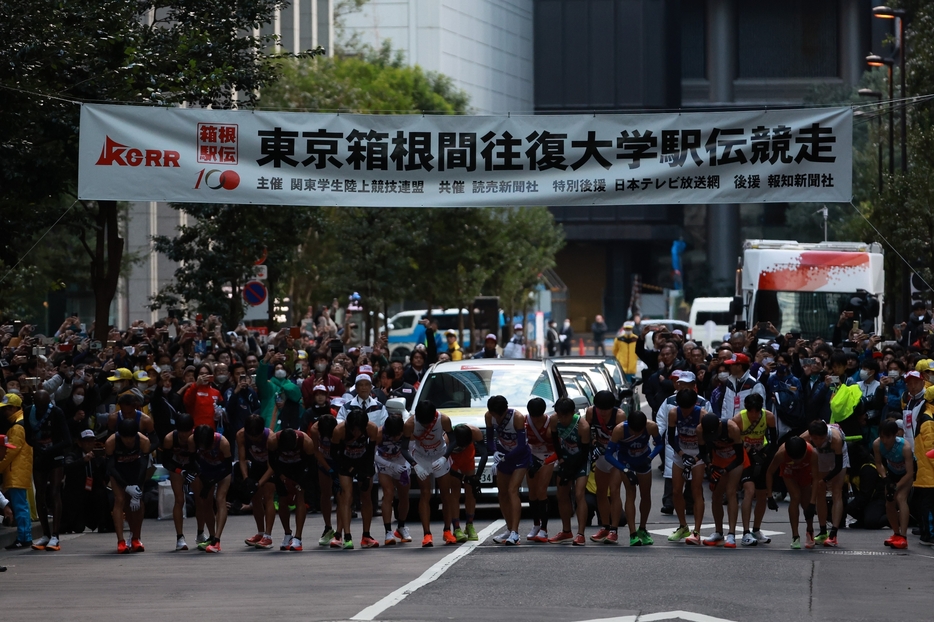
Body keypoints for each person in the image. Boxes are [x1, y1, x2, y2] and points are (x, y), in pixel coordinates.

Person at [401, 401, 457, 547]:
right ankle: (427, 534)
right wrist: (415, 465)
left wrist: (445, 457)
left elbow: (453, 440)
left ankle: (447, 531)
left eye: (428, 423)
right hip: (421, 458)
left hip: (440, 455)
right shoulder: (410, 424)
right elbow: (404, 449)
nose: (425, 426)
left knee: (446, 493)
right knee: (425, 493)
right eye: (422, 423)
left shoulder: (443, 419)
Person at [604, 410, 662, 546]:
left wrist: (650, 458)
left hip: (643, 461)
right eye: (632, 431)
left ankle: (642, 528)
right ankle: (632, 534)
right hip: (626, 463)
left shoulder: (651, 426)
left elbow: (660, 444)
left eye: (639, 432)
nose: (635, 434)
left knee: (646, 495)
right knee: (630, 495)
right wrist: (624, 470)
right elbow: (608, 455)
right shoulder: (619, 430)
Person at [26, 389, 71, 551]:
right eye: (38, 406)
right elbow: (28, 437)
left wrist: (50, 449)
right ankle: (45, 533)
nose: (41, 409)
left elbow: (67, 440)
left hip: (55, 455)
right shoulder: (28, 412)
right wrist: (38, 447)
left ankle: (55, 534)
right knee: (40, 493)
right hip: (40, 455)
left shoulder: (56, 412)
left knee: (54, 492)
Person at [330, 407, 380, 549]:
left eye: (359, 430)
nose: (356, 433)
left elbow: (370, 453)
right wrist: (351, 469)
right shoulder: (339, 430)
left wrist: (367, 474)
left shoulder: (372, 429)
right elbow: (334, 454)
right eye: (354, 430)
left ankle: (366, 535)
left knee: (366, 495)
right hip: (345, 461)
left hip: (363, 461)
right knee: (347, 496)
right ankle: (345, 535)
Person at [485, 395, 531, 546]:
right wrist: (494, 452)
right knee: (502, 492)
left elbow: (522, 446)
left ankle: (515, 532)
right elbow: (490, 439)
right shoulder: (489, 416)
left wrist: (506, 457)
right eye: (493, 414)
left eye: (498, 415)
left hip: (519, 456)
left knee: (512, 490)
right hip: (503, 453)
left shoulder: (516, 417)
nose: (496, 418)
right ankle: (509, 528)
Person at [731, 393, 776, 546]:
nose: (754, 415)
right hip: (745, 458)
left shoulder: (769, 417)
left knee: (761, 494)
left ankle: (756, 529)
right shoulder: (738, 420)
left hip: (761, 456)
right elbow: (732, 442)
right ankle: (745, 532)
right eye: (752, 412)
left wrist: (765, 453)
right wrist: (745, 449)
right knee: (749, 490)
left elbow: (773, 440)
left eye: (757, 411)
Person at [698, 413, 747, 548]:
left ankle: (731, 534)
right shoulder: (700, 430)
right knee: (716, 495)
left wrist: (726, 470)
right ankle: (718, 532)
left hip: (735, 460)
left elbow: (740, 458)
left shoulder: (732, 428)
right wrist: (709, 466)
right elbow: (702, 452)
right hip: (718, 459)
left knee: (731, 492)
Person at [547, 396, 591, 545]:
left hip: (580, 461)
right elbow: (555, 441)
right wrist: (561, 460)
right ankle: (566, 531)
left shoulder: (583, 426)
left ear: (572, 413)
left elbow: (585, 453)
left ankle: (581, 533)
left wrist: (571, 472)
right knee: (562, 494)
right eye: (560, 415)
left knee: (579, 494)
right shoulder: (554, 420)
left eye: (565, 416)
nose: (562, 419)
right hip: (565, 460)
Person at [105, 417, 151, 553]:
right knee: (120, 500)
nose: (129, 441)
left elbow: (143, 466)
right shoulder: (111, 442)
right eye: (126, 439)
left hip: (135, 471)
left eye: (131, 438)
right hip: (118, 472)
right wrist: (126, 487)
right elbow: (111, 468)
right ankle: (121, 541)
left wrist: (137, 487)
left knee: (138, 500)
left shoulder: (144, 441)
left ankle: (136, 537)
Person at [667, 389, 707, 545]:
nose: (685, 411)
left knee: (696, 490)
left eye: (688, 408)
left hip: (698, 453)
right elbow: (670, 438)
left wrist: (695, 458)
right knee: (676, 490)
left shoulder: (702, 415)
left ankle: (696, 531)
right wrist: (682, 454)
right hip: (681, 452)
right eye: (682, 408)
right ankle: (683, 526)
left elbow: (707, 445)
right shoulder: (673, 413)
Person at [801, 420, 849, 547]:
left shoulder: (835, 438)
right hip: (821, 456)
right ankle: (823, 530)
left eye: (821, 438)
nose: (818, 441)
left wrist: (825, 479)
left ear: (825, 436)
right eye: (815, 438)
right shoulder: (805, 437)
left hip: (838, 456)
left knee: (836, 491)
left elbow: (838, 466)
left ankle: (833, 534)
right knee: (819, 492)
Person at [766, 436, 819, 549]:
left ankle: (810, 529)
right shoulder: (781, 454)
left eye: (800, 458)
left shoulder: (812, 453)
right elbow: (769, 472)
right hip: (789, 473)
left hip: (805, 472)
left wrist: (812, 502)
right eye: (794, 459)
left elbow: (815, 478)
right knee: (795, 497)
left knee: (806, 503)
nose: (797, 461)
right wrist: (769, 496)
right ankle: (795, 536)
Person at [586, 390, 624, 544]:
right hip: (601, 454)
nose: (602, 413)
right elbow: (588, 432)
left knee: (614, 491)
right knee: (601, 492)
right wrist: (593, 444)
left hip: (615, 456)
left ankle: (614, 530)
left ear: (611, 408)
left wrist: (610, 449)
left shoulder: (619, 415)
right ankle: (606, 527)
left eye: (605, 410)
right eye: (600, 409)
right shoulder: (591, 412)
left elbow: (623, 439)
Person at [188, 424, 233, 553]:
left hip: (222, 471)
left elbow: (228, 468)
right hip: (205, 470)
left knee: (220, 499)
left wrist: (212, 482)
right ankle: (212, 535)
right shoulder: (192, 440)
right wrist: (203, 478)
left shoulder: (222, 443)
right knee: (205, 503)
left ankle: (217, 540)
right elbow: (192, 462)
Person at [0, 393, 34, 550]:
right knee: (22, 505)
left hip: (16, 471)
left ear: (14, 408)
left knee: (20, 506)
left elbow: (10, 452)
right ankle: (24, 536)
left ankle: (24, 537)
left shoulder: (17, 427)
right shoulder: (21, 423)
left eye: (7, 409)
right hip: (19, 470)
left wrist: (0, 466)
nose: (4, 412)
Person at [873, 419, 913, 549]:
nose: (885, 440)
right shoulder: (877, 444)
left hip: (905, 475)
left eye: (888, 437)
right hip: (891, 473)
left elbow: (910, 473)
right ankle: (896, 533)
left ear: (895, 435)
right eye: (882, 436)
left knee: (901, 498)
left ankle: (903, 536)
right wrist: (885, 479)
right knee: (889, 501)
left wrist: (896, 486)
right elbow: (878, 463)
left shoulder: (905, 447)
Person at [237, 414, 276, 550]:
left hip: (270, 467)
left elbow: (273, 466)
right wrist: (246, 479)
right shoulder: (241, 435)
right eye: (252, 437)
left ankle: (268, 536)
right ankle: (260, 533)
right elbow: (242, 459)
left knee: (268, 497)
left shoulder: (270, 438)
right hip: (256, 464)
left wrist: (258, 483)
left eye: (257, 437)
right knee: (255, 498)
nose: (254, 439)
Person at [161, 412, 197, 551]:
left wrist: (192, 473)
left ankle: (201, 533)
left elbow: (197, 460)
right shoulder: (170, 439)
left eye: (186, 433)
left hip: (192, 467)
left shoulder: (195, 438)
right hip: (176, 467)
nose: (184, 436)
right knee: (179, 500)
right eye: (181, 433)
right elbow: (166, 462)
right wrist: (179, 471)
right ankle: (180, 537)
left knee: (200, 499)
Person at [375, 413, 410, 546]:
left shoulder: (408, 430)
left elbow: (413, 449)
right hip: (384, 462)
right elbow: (372, 454)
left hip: (402, 460)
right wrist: (390, 465)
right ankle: (388, 532)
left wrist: (406, 464)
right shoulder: (379, 433)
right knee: (388, 493)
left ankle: (401, 527)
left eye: (398, 435)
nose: (395, 438)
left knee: (403, 495)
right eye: (392, 436)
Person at [449, 423, 488, 542]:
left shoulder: (475, 432)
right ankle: (456, 528)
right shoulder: (446, 437)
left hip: (467, 458)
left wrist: (477, 477)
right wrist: (462, 477)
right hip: (452, 459)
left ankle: (469, 525)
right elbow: (443, 464)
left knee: (470, 490)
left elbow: (484, 454)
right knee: (455, 491)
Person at [525, 397, 555, 543]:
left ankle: (544, 528)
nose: (535, 421)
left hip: (549, 456)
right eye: (533, 418)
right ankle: (536, 525)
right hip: (532, 455)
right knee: (532, 491)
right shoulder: (526, 421)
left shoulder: (551, 424)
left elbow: (558, 449)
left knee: (541, 490)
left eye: (538, 418)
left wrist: (545, 462)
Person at [309, 414, 340, 546]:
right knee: (325, 494)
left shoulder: (339, 429)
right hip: (324, 461)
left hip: (338, 460)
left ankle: (339, 531)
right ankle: (328, 527)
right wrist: (328, 469)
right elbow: (316, 451)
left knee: (341, 496)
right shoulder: (315, 430)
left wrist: (338, 470)